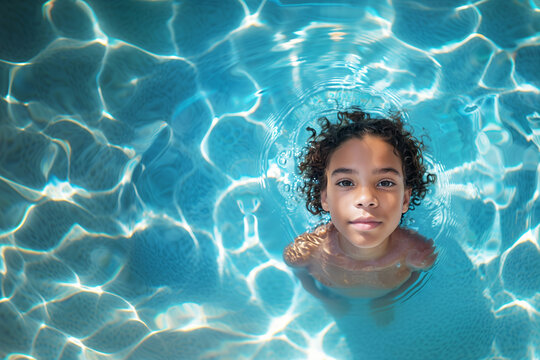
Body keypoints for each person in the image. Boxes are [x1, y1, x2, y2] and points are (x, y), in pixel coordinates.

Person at [283, 108, 437, 310]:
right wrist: (325, 299)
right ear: (325, 198)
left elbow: (415, 276)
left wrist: (388, 301)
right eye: (346, 182)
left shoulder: (417, 253)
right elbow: (299, 272)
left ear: (405, 200)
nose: (366, 199)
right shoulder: (306, 252)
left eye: (385, 183)